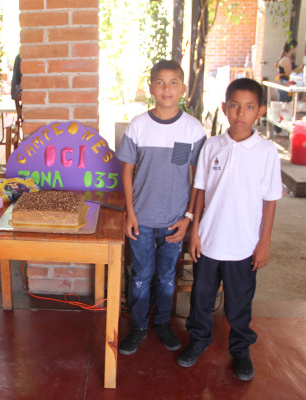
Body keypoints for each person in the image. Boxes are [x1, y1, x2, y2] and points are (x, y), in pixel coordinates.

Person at [178, 78, 283, 381]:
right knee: (201, 296)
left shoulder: (265, 152)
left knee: (239, 301)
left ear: (260, 111)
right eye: (234, 106)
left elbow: (270, 201)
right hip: (209, 241)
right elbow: (199, 191)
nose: (241, 113)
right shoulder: (212, 146)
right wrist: (194, 231)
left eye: (249, 107)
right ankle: (198, 341)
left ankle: (240, 349)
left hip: (244, 244)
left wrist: (264, 243)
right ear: (224, 108)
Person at [115, 60, 206, 355]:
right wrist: (130, 212)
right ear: (150, 86)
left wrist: (189, 218)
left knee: (167, 277)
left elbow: (198, 179)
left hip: (174, 220)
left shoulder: (193, 129)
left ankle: (163, 323)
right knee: (141, 277)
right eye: (160, 82)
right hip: (141, 219)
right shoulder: (139, 125)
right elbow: (126, 171)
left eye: (173, 83)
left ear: (182, 87)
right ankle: (139, 325)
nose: (166, 89)